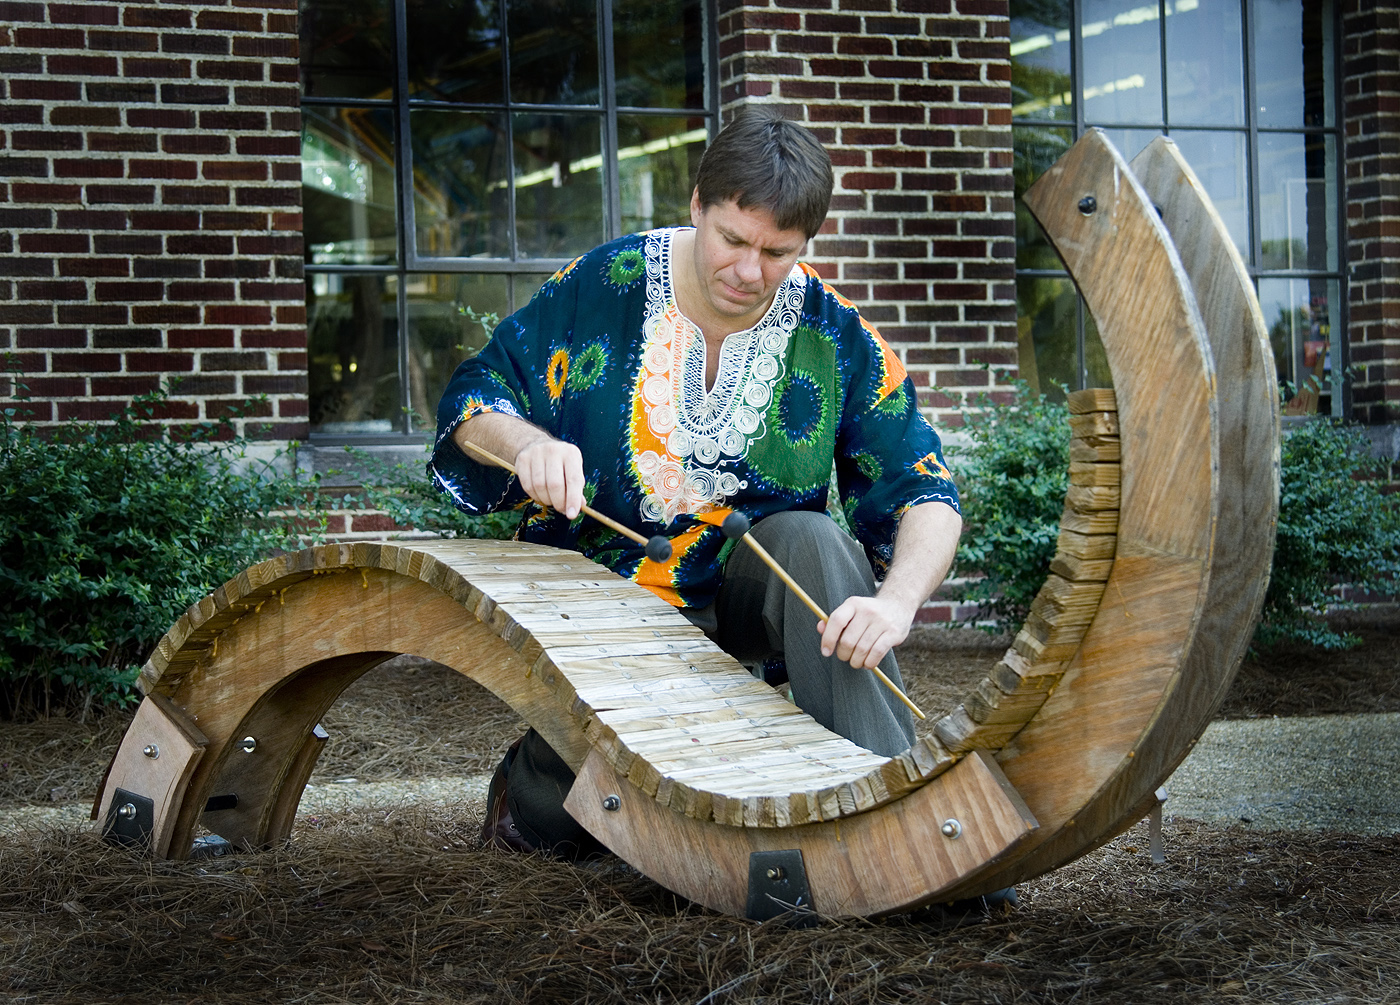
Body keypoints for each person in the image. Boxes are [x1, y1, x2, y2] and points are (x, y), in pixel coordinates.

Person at [430, 108, 962, 857]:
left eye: (778, 253)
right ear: (697, 208)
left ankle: (907, 831)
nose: (750, 272)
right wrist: (527, 446)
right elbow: (473, 400)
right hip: (607, 608)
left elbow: (926, 489)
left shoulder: (833, 331)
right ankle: (531, 787)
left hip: (745, 594)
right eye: (734, 239)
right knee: (601, 830)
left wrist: (898, 601)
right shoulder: (604, 285)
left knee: (814, 540)